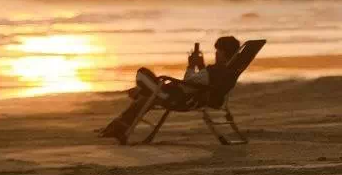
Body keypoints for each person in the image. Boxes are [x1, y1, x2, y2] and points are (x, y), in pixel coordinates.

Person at [99, 35, 242, 140]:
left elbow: (188, 82)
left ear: (223, 53)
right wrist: (201, 66)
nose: (216, 54)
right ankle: (120, 126)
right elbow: (204, 84)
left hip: (178, 99)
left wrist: (191, 65)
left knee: (142, 74)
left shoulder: (214, 71)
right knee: (146, 96)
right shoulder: (226, 72)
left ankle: (120, 124)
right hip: (193, 98)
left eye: (218, 51)